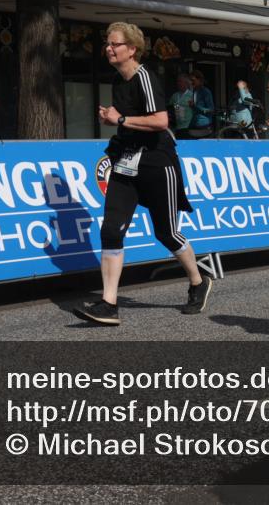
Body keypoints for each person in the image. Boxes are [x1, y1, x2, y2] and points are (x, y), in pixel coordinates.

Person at [76, 23, 214, 325]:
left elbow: (161, 120)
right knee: (111, 229)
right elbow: (128, 122)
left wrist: (121, 118)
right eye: (107, 44)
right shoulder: (118, 80)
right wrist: (117, 121)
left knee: (166, 232)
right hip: (126, 161)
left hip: (157, 162)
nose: (109, 49)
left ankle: (197, 280)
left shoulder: (144, 77)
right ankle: (108, 304)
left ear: (132, 49)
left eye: (115, 44)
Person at [187, 70, 214, 135]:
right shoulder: (194, 91)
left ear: (199, 80)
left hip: (204, 126)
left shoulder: (205, 92)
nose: (191, 82)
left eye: (193, 80)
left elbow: (211, 110)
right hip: (195, 125)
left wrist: (195, 106)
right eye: (190, 80)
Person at [168, 73, 194, 137]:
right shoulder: (174, 96)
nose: (178, 83)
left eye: (180, 81)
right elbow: (169, 109)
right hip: (177, 127)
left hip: (188, 127)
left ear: (186, 83)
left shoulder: (191, 95)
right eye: (177, 81)